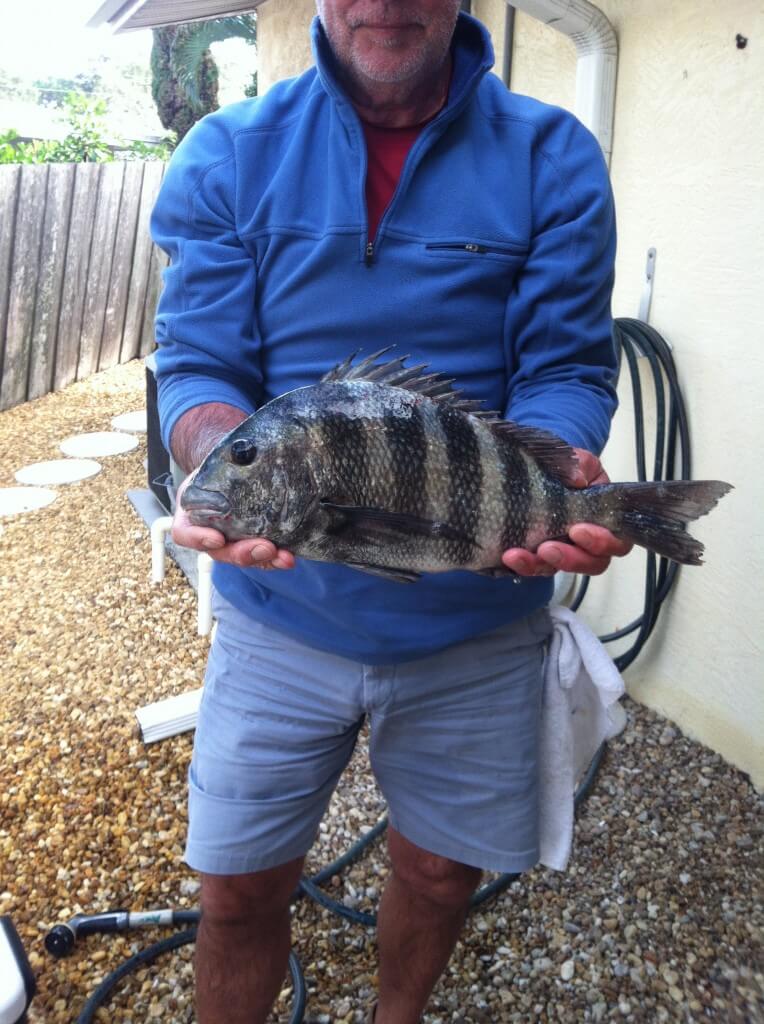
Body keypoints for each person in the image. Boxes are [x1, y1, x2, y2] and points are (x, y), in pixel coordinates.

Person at [151, 3, 630, 1021]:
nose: (382, 2)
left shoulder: (551, 157)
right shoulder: (228, 153)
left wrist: (555, 463)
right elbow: (197, 363)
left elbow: (564, 365)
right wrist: (217, 462)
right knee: (235, 889)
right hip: (277, 619)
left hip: (477, 614)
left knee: (439, 876)